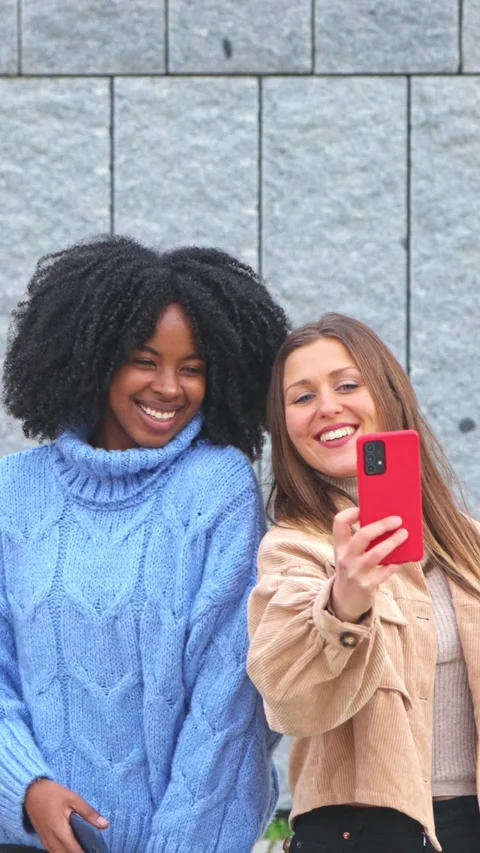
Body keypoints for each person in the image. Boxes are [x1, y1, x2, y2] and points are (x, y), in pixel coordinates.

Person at [0, 236, 289, 853]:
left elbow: (228, 701)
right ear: (95, 359)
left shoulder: (217, 488)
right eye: (144, 361)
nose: (169, 388)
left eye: (192, 368)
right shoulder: (14, 491)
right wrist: (25, 787)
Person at [247, 313, 480, 853]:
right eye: (303, 397)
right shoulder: (294, 548)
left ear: (389, 395)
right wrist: (343, 603)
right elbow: (290, 701)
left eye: (347, 385)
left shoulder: (466, 542)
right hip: (364, 832)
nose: (327, 406)